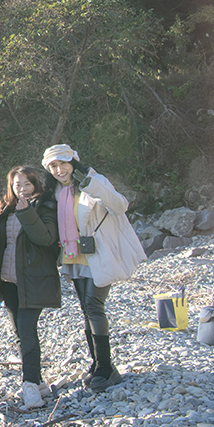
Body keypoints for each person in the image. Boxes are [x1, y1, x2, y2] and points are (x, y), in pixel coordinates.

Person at [42, 144, 146, 392]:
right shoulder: (56, 190)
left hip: (98, 253)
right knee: (86, 310)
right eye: (53, 166)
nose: (59, 170)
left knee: (94, 306)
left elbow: (120, 205)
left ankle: (106, 368)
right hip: (74, 255)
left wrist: (90, 182)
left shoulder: (94, 181)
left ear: (73, 163)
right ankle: (97, 363)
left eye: (63, 163)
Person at [0, 166, 60, 409]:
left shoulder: (45, 207)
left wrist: (27, 213)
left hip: (34, 280)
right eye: (17, 185)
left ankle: (29, 383)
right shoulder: (5, 208)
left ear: (35, 185)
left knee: (27, 330)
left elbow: (46, 238)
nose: (22, 189)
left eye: (27, 184)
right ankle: (38, 381)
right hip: (8, 280)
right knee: (20, 334)